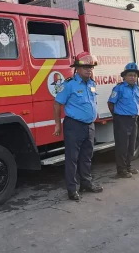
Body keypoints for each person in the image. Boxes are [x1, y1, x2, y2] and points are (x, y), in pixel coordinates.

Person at [53, 52, 103, 201]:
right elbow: (57, 104)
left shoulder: (92, 83)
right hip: (74, 126)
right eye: (86, 67)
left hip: (89, 126)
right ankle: (72, 189)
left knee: (87, 157)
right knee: (72, 159)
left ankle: (86, 184)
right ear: (77, 69)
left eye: (91, 67)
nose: (89, 70)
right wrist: (57, 125)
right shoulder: (68, 84)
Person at [107, 63, 139, 178]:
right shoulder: (119, 88)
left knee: (131, 145)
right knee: (122, 146)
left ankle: (128, 166)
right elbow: (111, 103)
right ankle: (121, 170)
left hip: (133, 120)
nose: (133, 77)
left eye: (135, 75)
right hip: (122, 120)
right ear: (124, 77)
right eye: (130, 75)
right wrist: (117, 116)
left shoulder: (137, 88)